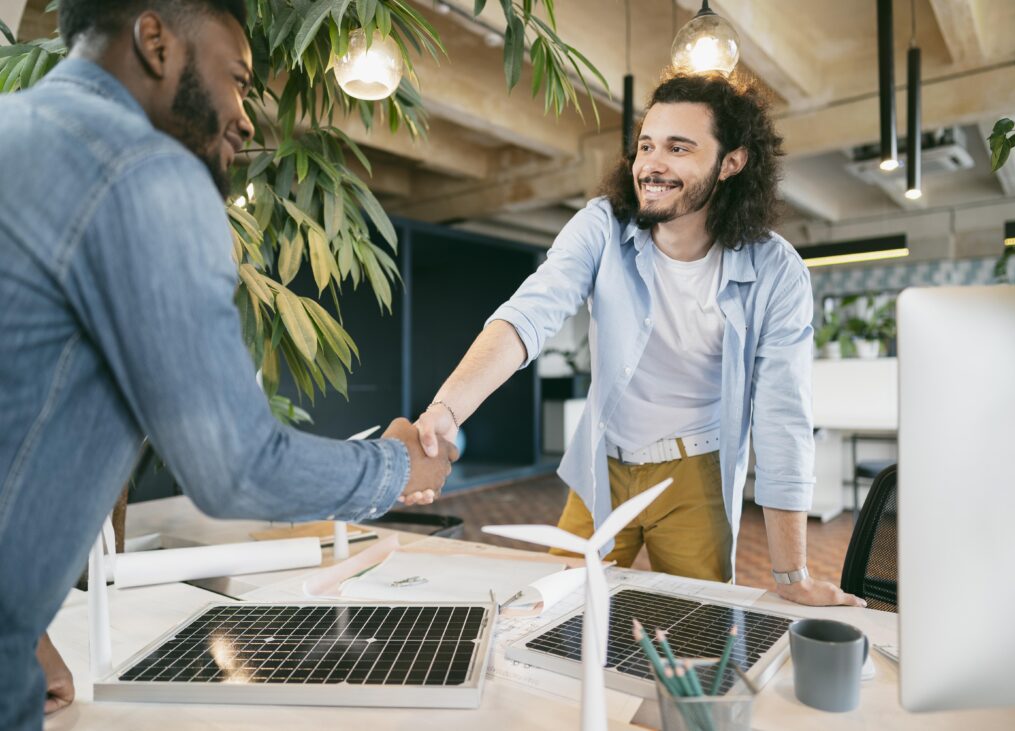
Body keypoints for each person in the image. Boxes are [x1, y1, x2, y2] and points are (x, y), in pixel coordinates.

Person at [0, 2, 455, 728]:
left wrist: (23, 634)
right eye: (237, 79)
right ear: (156, 41)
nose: (245, 117)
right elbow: (234, 464)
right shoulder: (146, 172)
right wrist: (398, 468)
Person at [415, 74, 866, 609]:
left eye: (679, 148)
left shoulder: (775, 270)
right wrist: (449, 407)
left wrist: (792, 574)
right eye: (646, 146)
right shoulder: (602, 227)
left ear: (731, 163)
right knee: (557, 611)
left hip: (695, 474)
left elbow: (782, 417)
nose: (652, 164)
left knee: (699, 627)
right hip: (602, 463)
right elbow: (529, 314)